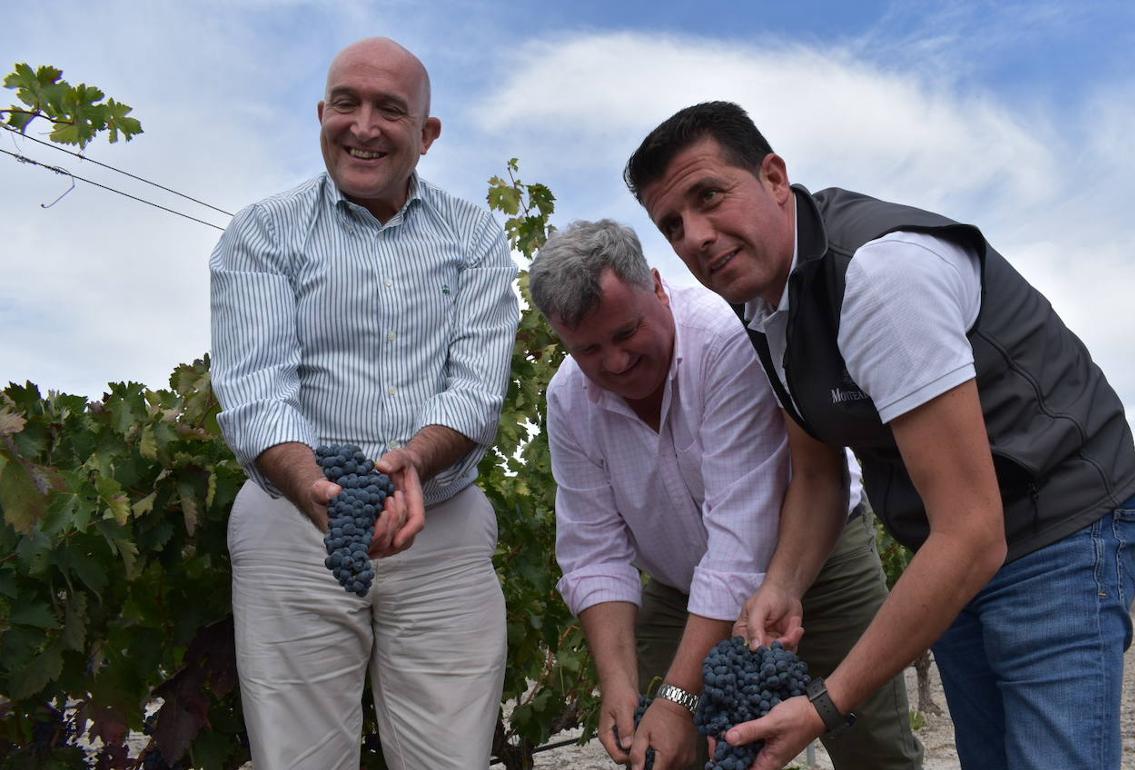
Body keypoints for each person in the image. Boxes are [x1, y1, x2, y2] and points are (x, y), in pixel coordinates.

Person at [625, 101, 1135, 770]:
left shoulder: (879, 277)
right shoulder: (761, 302)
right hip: (951, 541)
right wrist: (783, 583)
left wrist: (825, 703)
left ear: (775, 178)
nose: (695, 235)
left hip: (1060, 527)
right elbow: (816, 472)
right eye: (672, 225)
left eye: (709, 197)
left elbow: (972, 530)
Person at [209, 37, 518, 769]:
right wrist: (311, 483)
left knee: (453, 760)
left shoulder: (473, 235)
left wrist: (411, 459)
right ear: (322, 113)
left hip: (441, 525)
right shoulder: (263, 232)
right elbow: (255, 388)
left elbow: (476, 389)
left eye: (390, 109)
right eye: (345, 103)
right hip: (294, 526)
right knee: (300, 759)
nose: (363, 125)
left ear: (427, 135)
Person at [530, 219, 922, 770]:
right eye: (588, 349)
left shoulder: (724, 340)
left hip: (815, 560)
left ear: (659, 288)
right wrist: (620, 686)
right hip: (679, 583)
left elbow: (743, 540)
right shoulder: (568, 399)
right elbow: (593, 551)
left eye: (625, 334)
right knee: (667, 749)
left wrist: (678, 695)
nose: (614, 362)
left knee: (870, 744)